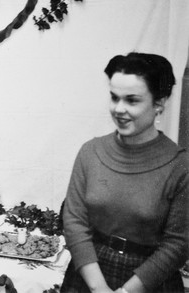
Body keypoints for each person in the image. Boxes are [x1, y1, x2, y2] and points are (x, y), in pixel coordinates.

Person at [61, 52, 188, 293]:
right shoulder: (91, 152)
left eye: (132, 100)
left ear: (159, 103)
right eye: (114, 97)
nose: (119, 109)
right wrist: (99, 288)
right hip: (90, 274)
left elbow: (178, 244)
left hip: (150, 281)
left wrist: (127, 291)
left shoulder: (180, 166)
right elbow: (74, 221)